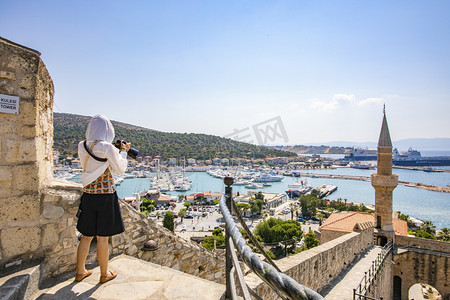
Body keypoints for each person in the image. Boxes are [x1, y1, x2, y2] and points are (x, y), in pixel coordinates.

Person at [75, 115, 129, 283]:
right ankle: (104, 274)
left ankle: (80, 271)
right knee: (103, 238)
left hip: (88, 194)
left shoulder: (82, 145)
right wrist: (123, 153)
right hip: (105, 196)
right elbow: (119, 170)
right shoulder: (107, 147)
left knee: (86, 236)